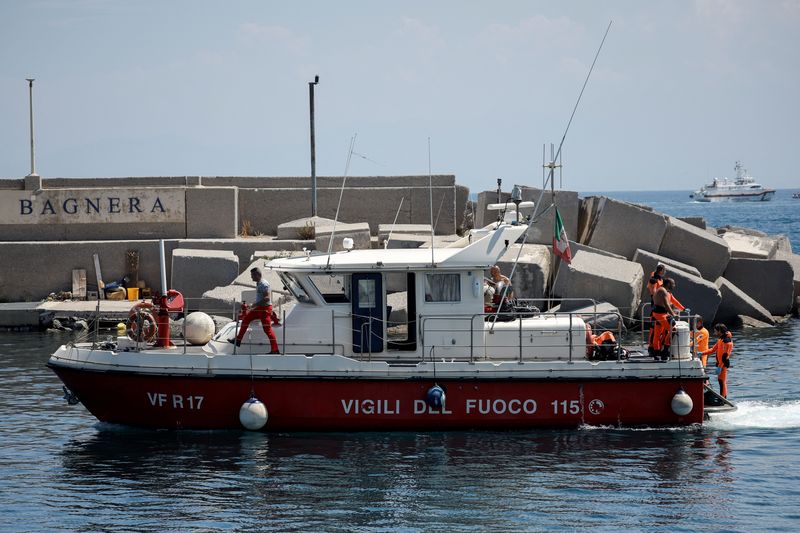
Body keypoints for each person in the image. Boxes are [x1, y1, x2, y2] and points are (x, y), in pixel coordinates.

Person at [232, 267, 280, 353]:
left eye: (252, 275)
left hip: (264, 309)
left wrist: (254, 304)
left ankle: (275, 349)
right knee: (246, 319)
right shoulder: (259, 283)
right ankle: (238, 340)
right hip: (260, 308)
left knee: (267, 330)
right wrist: (255, 305)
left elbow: (266, 298)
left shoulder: (264, 284)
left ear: (257, 275)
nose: (251, 277)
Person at [648, 277, 678, 359]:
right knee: (673, 330)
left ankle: (656, 352)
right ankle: (665, 350)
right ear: (668, 284)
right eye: (673, 284)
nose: (674, 285)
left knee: (657, 334)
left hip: (656, 313)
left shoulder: (660, 289)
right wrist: (673, 314)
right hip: (660, 314)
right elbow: (666, 304)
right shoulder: (663, 291)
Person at [700, 324, 733, 398]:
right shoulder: (720, 340)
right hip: (719, 364)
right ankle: (722, 397)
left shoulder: (727, 341)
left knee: (722, 381)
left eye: (715, 331)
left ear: (720, 331)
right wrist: (702, 353)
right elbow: (713, 350)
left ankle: (723, 398)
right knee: (720, 381)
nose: (714, 333)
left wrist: (720, 367)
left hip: (723, 364)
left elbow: (725, 356)